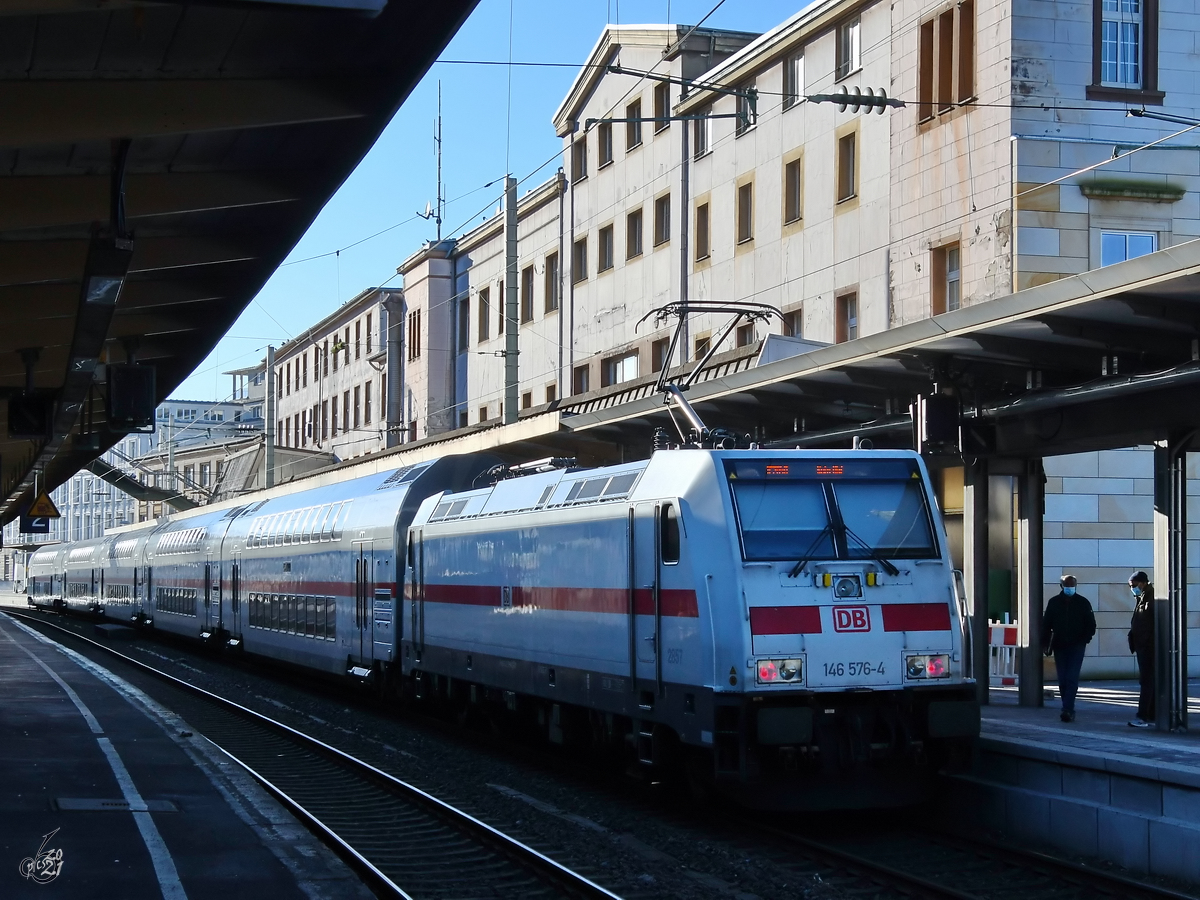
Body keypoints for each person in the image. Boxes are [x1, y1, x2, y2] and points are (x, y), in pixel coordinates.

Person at [1041, 575, 1096, 722]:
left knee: (1071, 677)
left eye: (1072, 586)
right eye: (1067, 586)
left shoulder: (1083, 603)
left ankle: (1067, 708)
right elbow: (1046, 625)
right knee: (1063, 679)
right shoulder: (1054, 603)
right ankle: (1067, 706)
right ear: (1061, 586)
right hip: (1059, 645)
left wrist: (1084, 639)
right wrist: (1045, 644)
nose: (1070, 588)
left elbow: (1091, 625)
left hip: (1077, 645)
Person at [1127, 571, 1155, 728]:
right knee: (1148, 681)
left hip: (1148, 647)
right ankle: (1150, 714)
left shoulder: (1151, 599)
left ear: (1143, 583)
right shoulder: (1142, 598)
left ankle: (1143, 715)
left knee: (1147, 681)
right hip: (1143, 646)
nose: (1132, 589)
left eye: (1134, 585)